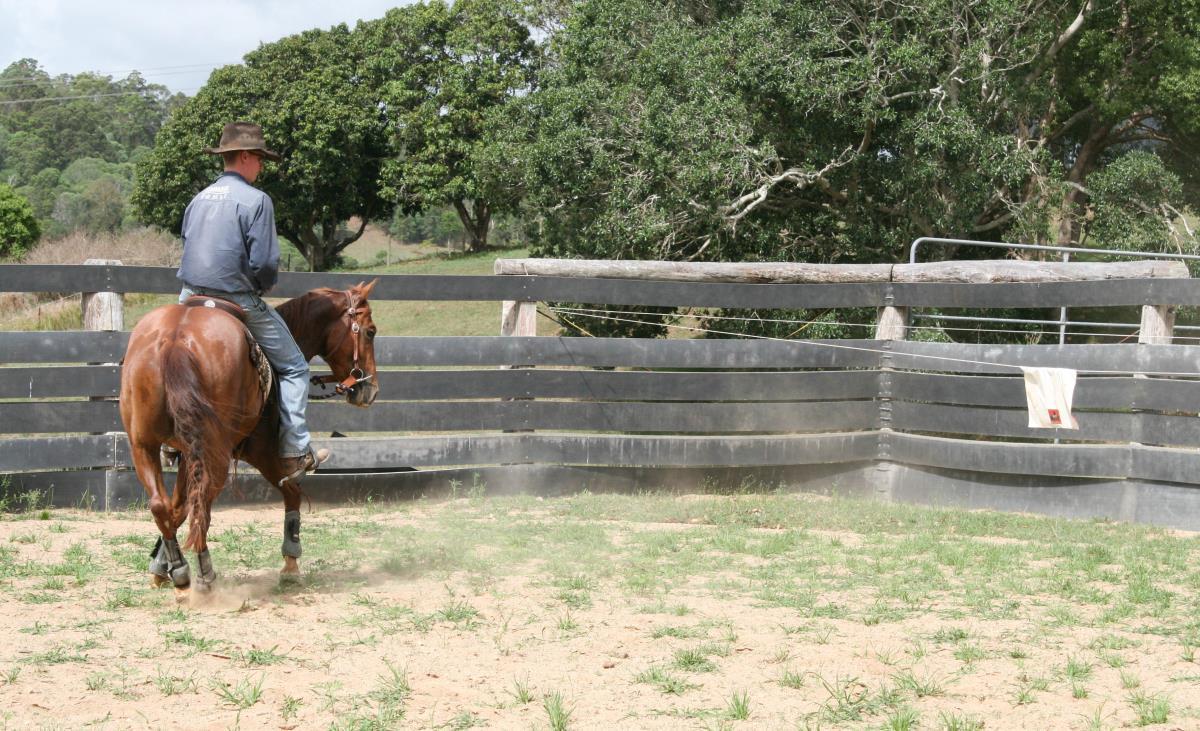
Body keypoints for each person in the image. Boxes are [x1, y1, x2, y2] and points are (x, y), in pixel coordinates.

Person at [175, 121, 328, 484]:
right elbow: (264, 263)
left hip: (189, 296)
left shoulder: (198, 199)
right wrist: (261, 286)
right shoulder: (257, 200)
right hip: (234, 298)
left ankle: (172, 438)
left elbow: (188, 243)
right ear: (244, 156)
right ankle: (294, 449)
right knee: (295, 368)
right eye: (259, 158)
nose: (261, 165)